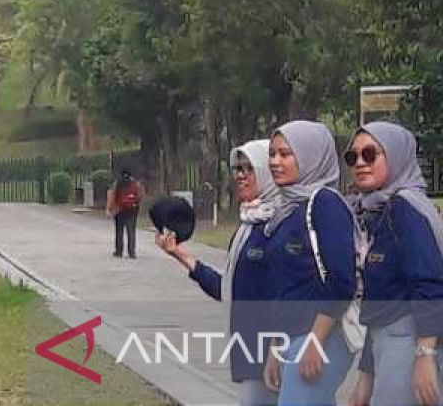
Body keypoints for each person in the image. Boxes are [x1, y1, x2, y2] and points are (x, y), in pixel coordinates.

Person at [158, 140, 279, 405]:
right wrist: (179, 253)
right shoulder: (249, 224)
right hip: (249, 347)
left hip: (274, 352)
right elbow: (228, 289)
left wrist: (278, 348)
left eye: (250, 168)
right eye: (237, 168)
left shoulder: (280, 225)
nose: (241, 175)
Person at [345, 122, 443, 406]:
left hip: (408, 341)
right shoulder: (377, 212)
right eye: (353, 157)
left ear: (397, 156)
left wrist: (425, 356)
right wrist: (366, 377)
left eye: (370, 154)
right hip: (384, 342)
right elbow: (377, 302)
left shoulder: (406, 209)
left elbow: (430, 283)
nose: (360, 163)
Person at [262, 120, 358, 406]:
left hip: (322, 334)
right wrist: (275, 347)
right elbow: (284, 286)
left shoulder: (326, 204)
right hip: (291, 334)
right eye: (272, 154)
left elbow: (341, 281)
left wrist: (316, 341)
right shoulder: (287, 210)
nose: (275, 162)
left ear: (310, 156)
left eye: (285, 154)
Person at [107, 169, 143, 259]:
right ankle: (132, 252)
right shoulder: (136, 183)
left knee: (119, 231)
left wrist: (110, 209)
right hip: (132, 210)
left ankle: (119, 251)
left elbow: (112, 195)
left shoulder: (117, 183)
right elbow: (140, 196)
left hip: (119, 210)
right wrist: (137, 205)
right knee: (131, 231)